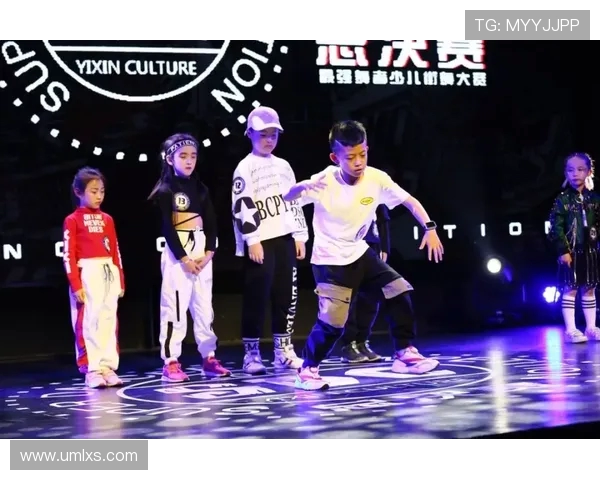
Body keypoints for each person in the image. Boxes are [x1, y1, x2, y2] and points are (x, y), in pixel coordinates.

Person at [283, 120, 444, 391]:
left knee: (399, 291)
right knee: (333, 322)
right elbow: (287, 198)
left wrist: (429, 228)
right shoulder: (324, 181)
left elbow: (409, 201)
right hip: (330, 259)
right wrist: (300, 188)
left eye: (363, 154)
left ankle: (404, 354)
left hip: (359, 252)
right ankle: (307, 370)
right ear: (335, 157)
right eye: (350, 157)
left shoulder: (376, 178)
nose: (358, 162)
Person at [232, 106, 308, 375]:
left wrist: (299, 234)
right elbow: (242, 204)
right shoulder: (245, 167)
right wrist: (252, 239)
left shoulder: (284, 166)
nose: (269, 140)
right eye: (263, 134)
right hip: (261, 241)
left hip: (284, 238)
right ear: (250, 134)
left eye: (273, 134)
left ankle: (282, 352)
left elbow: (294, 199)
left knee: (286, 296)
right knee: (257, 296)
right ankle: (251, 354)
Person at [148, 133, 230, 382]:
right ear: (169, 159)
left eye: (193, 156)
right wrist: (184, 258)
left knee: (204, 308)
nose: (189, 161)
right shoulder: (165, 190)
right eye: (183, 156)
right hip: (178, 255)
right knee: (175, 307)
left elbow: (212, 223)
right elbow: (167, 228)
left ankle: (209, 357)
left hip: (201, 252)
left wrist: (209, 253)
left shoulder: (201, 189)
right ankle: (171, 361)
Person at [62, 167, 125, 389]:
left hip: (108, 271)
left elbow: (115, 250)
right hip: (87, 272)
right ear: (78, 192)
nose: (99, 196)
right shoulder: (72, 220)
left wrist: (120, 279)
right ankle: (92, 368)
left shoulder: (107, 219)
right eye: (93, 191)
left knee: (108, 320)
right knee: (89, 321)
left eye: (102, 191)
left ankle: (107, 366)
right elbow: (68, 255)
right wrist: (76, 284)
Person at [548, 152, 600, 343]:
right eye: (570, 170)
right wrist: (563, 250)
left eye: (580, 169)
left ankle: (591, 327)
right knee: (571, 288)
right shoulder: (562, 200)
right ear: (565, 173)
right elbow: (556, 227)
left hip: (591, 251)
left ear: (589, 172)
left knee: (590, 287)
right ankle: (571, 329)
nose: (575, 174)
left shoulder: (594, 199)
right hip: (571, 251)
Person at [339, 204, 391, 363]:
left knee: (371, 298)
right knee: (350, 297)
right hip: (347, 244)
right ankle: (348, 344)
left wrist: (384, 246)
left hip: (372, 243)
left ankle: (362, 341)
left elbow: (382, 214)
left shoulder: (375, 188)